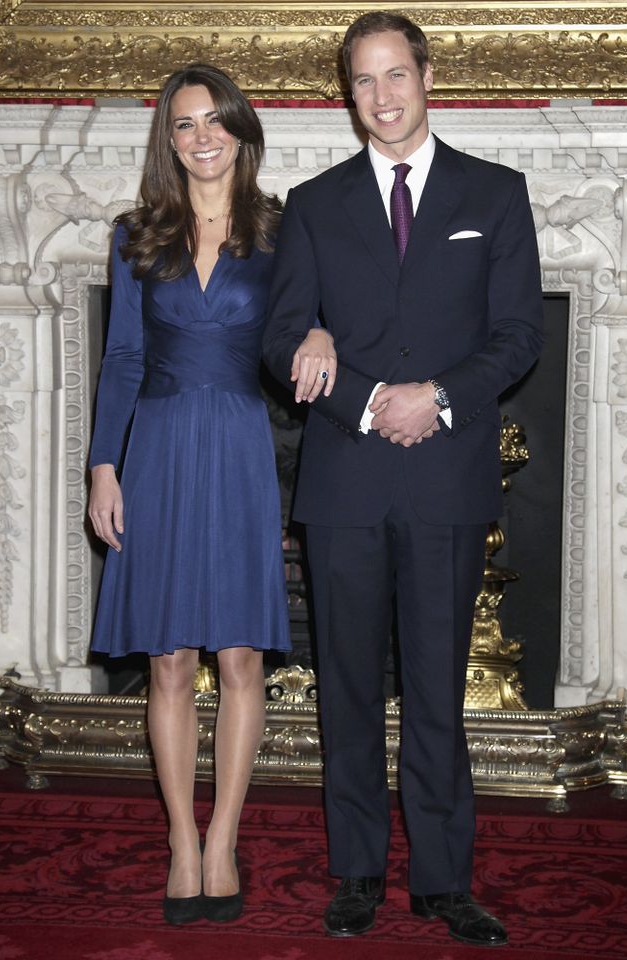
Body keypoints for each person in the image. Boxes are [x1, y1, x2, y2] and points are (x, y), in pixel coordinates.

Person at [263, 12, 544, 947]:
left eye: (394, 76)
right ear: (347, 96)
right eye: (361, 82)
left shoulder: (495, 195)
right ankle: (354, 873)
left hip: (446, 477)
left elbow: (517, 337)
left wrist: (437, 399)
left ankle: (441, 879)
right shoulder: (311, 203)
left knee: (434, 685)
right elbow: (282, 336)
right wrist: (366, 391)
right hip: (343, 480)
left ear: (426, 76)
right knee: (344, 684)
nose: (379, 97)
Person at [87, 64, 334, 927]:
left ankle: (223, 837)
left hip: (235, 445)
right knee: (166, 659)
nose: (201, 137)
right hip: (153, 447)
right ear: (170, 137)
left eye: (214, 120)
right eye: (185, 124)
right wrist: (102, 468)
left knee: (236, 657)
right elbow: (121, 358)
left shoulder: (281, 230)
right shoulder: (135, 236)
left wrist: (319, 330)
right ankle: (180, 843)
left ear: (240, 129)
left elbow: (303, 323)